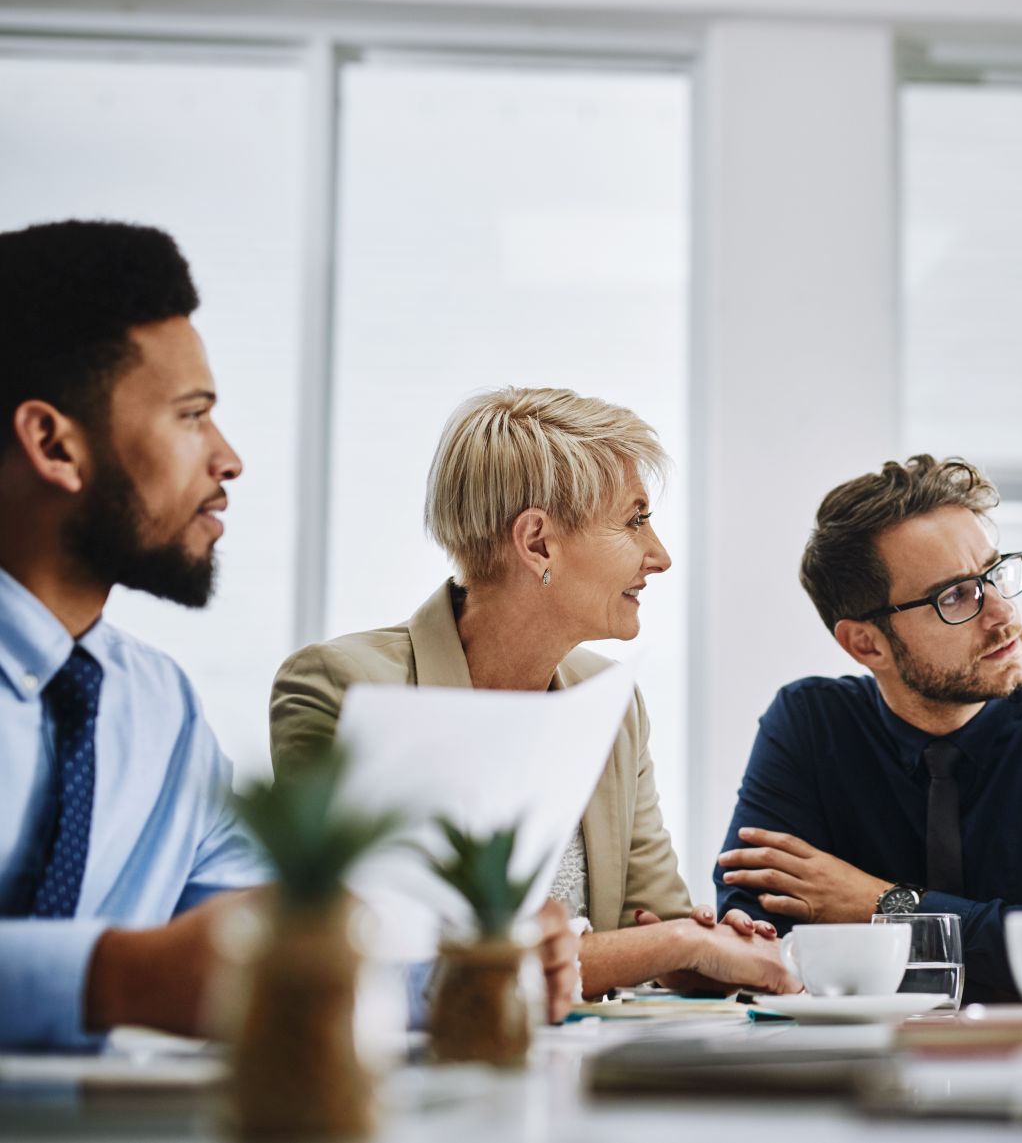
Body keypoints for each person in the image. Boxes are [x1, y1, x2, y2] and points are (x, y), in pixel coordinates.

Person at [0, 219, 569, 1045]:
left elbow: (269, 937)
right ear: (55, 444)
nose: (229, 459)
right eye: (192, 416)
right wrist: (120, 975)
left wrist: (464, 968)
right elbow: (157, 970)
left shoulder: (157, 709)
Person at [271, 388, 796, 998]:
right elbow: (372, 954)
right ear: (538, 542)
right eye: (635, 520)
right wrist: (671, 945)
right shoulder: (342, 685)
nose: (661, 556)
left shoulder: (612, 701)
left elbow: (654, 920)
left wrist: (702, 952)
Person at [714, 455, 1022, 1004]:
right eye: (955, 596)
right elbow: (756, 938)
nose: (1002, 612)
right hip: (858, 1073)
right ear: (867, 643)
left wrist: (885, 906)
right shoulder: (811, 724)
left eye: (994, 572)